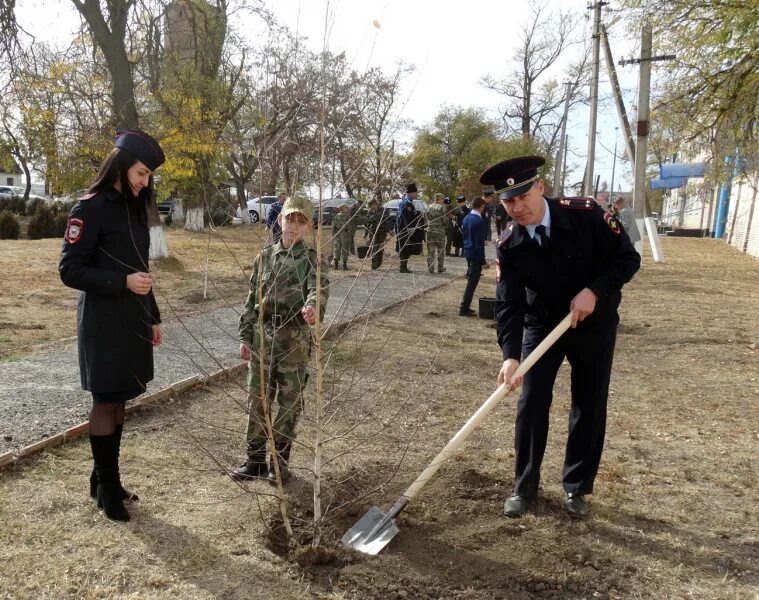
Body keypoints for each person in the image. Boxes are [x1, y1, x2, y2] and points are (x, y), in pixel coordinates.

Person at [482, 155, 640, 519]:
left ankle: (576, 488)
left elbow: (627, 259)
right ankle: (524, 487)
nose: (518, 208)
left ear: (540, 187)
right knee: (532, 401)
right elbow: (509, 305)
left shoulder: (586, 214)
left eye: (523, 197)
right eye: (509, 202)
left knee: (589, 403)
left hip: (594, 324)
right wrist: (510, 355)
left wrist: (594, 290)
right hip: (542, 326)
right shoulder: (509, 244)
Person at [59, 129, 166, 522]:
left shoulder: (134, 208)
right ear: (121, 167)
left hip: (132, 319)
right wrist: (120, 283)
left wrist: (153, 316)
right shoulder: (89, 208)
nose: (145, 182)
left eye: (149, 175)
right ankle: (108, 489)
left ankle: (106, 481)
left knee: (120, 398)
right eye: (141, 173)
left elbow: (141, 269)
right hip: (103, 323)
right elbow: (69, 269)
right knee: (105, 400)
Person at [231, 196, 329, 485]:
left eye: (301, 222)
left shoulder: (312, 260)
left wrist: (313, 308)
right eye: (290, 219)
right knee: (258, 399)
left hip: (294, 341)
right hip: (264, 338)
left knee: (289, 402)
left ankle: (279, 462)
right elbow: (252, 299)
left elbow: (318, 291)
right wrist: (245, 335)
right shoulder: (264, 257)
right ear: (279, 220)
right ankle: (256, 460)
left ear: (308, 226)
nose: (294, 227)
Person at [459, 196, 488, 316]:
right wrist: (483, 260)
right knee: (472, 282)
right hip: (475, 254)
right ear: (482, 207)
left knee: (471, 281)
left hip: (467, 251)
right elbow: (479, 243)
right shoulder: (479, 221)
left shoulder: (466, 218)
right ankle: (464, 308)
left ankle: (465, 307)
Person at [395, 183, 425, 273]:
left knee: (406, 248)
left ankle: (403, 266)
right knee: (405, 248)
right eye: (415, 193)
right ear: (411, 193)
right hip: (405, 229)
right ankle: (402, 267)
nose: (416, 195)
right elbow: (408, 218)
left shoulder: (404, 203)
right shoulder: (406, 204)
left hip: (403, 228)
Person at [364, 198, 391, 270]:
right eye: (370, 206)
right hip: (372, 232)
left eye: (371, 205)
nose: (371, 207)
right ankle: (374, 265)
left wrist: (389, 232)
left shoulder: (383, 211)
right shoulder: (370, 212)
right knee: (373, 247)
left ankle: (378, 263)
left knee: (380, 248)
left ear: (375, 204)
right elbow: (368, 223)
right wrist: (365, 234)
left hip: (382, 232)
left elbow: (387, 221)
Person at [425, 193, 448, 273]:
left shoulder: (429, 207)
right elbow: (445, 221)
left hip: (430, 231)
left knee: (430, 251)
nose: (443, 201)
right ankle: (440, 268)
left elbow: (426, 218)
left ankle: (430, 269)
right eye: (442, 199)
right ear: (439, 199)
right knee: (440, 251)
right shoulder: (442, 208)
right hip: (439, 232)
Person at [331, 204, 351, 270]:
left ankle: (336, 266)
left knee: (337, 249)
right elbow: (349, 226)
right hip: (344, 234)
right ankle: (344, 266)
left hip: (337, 234)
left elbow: (333, 226)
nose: (347, 209)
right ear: (343, 209)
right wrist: (349, 235)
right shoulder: (347, 216)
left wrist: (333, 234)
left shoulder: (336, 216)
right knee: (345, 249)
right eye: (346, 208)